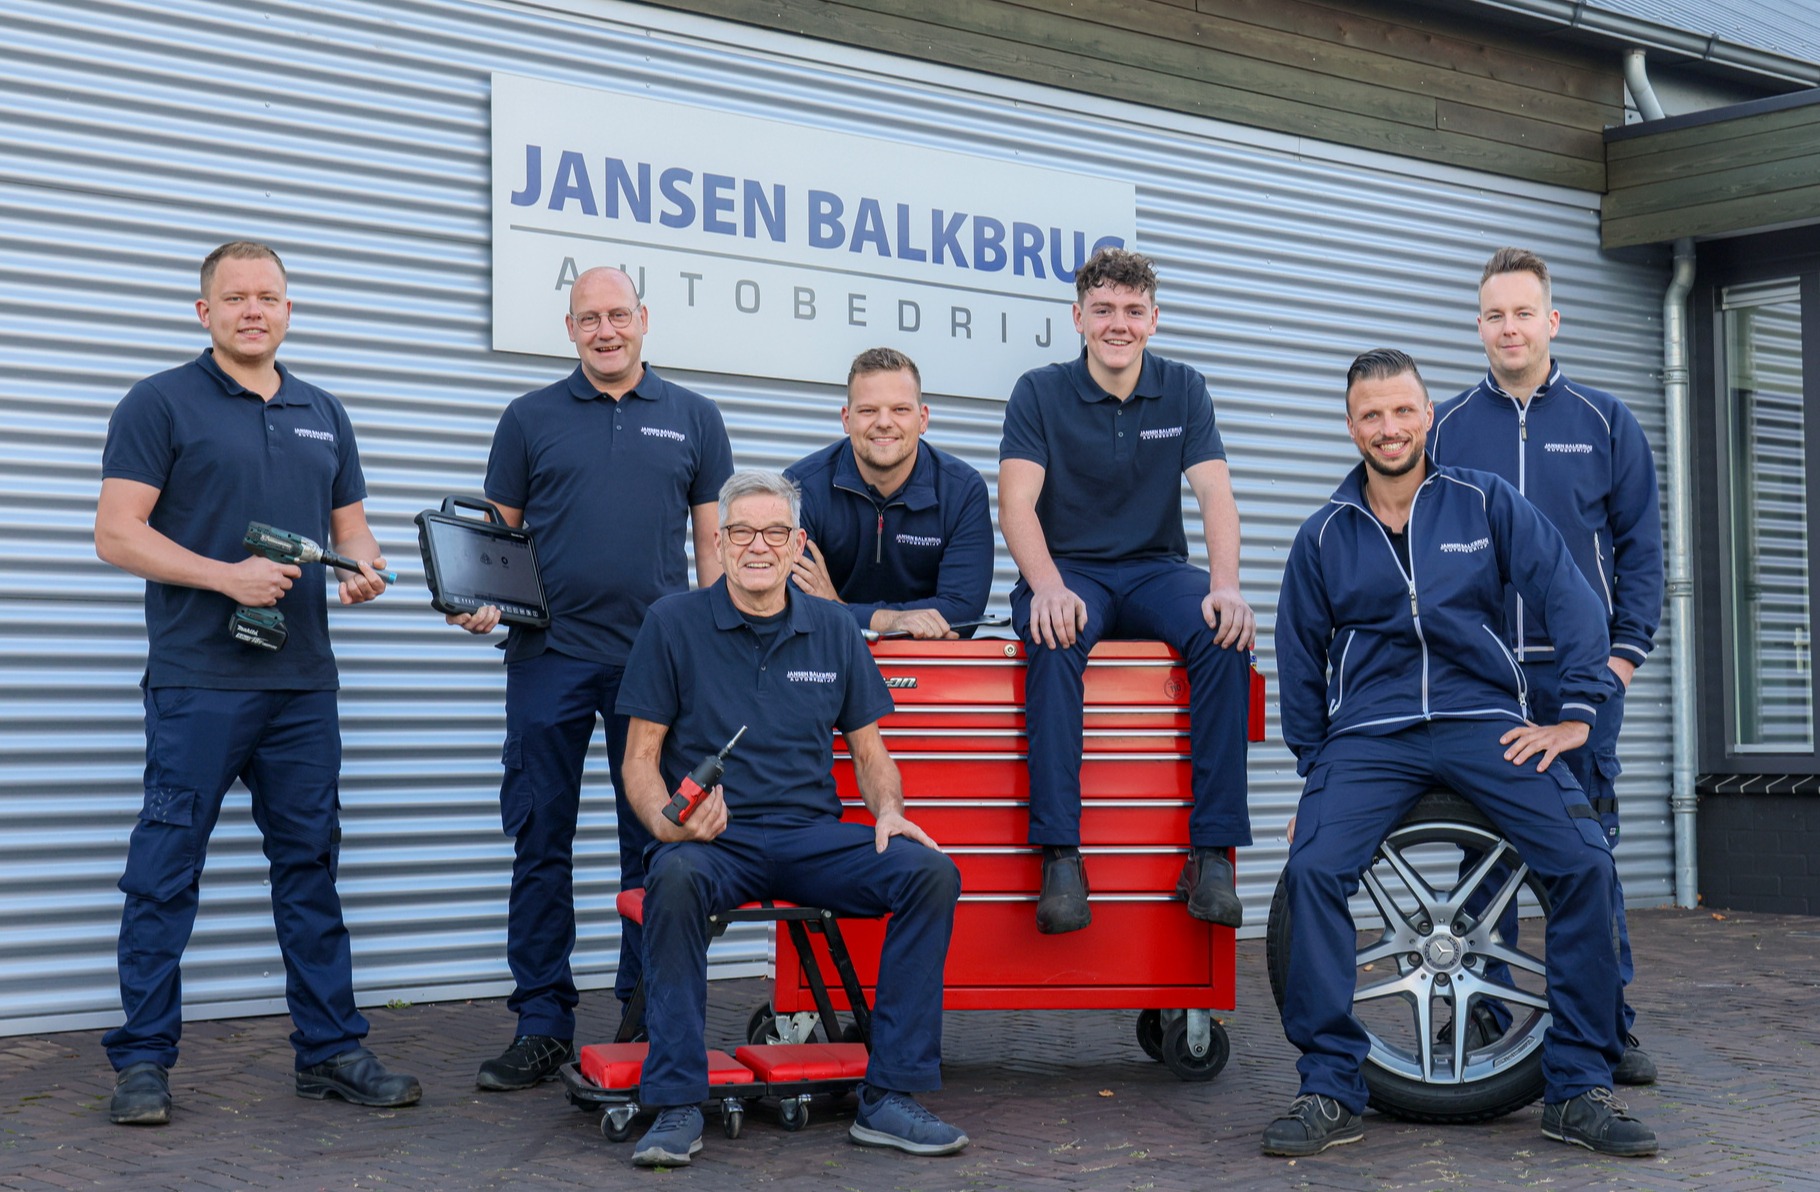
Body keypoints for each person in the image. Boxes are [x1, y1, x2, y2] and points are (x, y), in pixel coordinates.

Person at [1268, 348, 1653, 1158]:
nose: (1390, 427)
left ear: (1427, 416)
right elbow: (1299, 663)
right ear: (1351, 427)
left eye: (1403, 411)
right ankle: (1330, 1088)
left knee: (1584, 863)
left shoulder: (1485, 502)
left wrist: (1577, 713)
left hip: (1485, 720)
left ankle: (1577, 1087)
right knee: (1311, 871)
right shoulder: (1324, 535)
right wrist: (1319, 770)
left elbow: (1570, 595)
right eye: (1372, 415)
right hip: (1370, 736)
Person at [95, 241, 418, 1125]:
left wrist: (362, 568)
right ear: (204, 312)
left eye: (267, 297)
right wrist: (224, 577)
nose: (252, 310)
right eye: (234, 297)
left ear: (287, 310)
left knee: (309, 868)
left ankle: (330, 1050)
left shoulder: (324, 412)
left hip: (302, 687)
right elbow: (117, 533)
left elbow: (354, 532)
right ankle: (143, 1060)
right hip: (197, 682)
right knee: (164, 871)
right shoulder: (160, 402)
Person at [616, 469, 967, 1167]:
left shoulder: (834, 627)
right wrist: (669, 825)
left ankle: (888, 1097)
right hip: (717, 841)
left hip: (811, 837)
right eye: (743, 532)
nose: (759, 546)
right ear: (719, 543)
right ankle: (678, 1102)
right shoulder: (673, 623)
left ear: (798, 544)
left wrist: (890, 812)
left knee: (930, 874)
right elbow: (639, 759)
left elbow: (870, 752)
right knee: (674, 879)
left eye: (775, 532)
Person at [450, 266, 734, 1090]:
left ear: (643, 318)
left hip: (655, 665)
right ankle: (542, 1022)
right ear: (569, 329)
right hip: (549, 658)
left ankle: (645, 1013)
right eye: (588, 319)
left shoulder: (695, 417)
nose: (604, 331)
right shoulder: (529, 418)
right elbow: (496, 541)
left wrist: (717, 648)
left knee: (654, 841)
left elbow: (711, 545)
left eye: (617, 315)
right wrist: (477, 601)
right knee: (541, 837)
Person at [1430, 247, 1664, 1085]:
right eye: (1495, 315)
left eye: (1523, 313)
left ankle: (1607, 1025)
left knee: (1588, 853)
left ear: (1551, 321)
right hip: (1487, 681)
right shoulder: (1447, 427)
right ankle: (1486, 1013)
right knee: (1482, 857)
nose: (1510, 328)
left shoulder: (1606, 422)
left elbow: (1642, 553)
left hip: (1579, 681)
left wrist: (1620, 665)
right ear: (1479, 327)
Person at [997, 247, 1255, 935]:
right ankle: (1061, 857)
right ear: (1078, 317)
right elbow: (1016, 503)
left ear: (1154, 319)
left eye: (1134, 311)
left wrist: (1227, 587)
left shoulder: (1184, 388)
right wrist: (1047, 586)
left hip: (1153, 570)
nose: (1119, 324)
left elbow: (1215, 494)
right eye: (1104, 309)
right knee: (1054, 635)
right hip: (1069, 570)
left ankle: (1212, 858)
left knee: (1224, 633)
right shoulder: (1038, 392)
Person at [784, 347, 993, 640]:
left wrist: (839, 607)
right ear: (846, 419)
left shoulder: (962, 491)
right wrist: (895, 620)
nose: (884, 422)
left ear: (923, 419)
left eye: (900, 410)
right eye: (868, 410)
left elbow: (963, 610)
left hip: (926, 660)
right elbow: (792, 600)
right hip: (828, 654)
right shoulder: (801, 486)